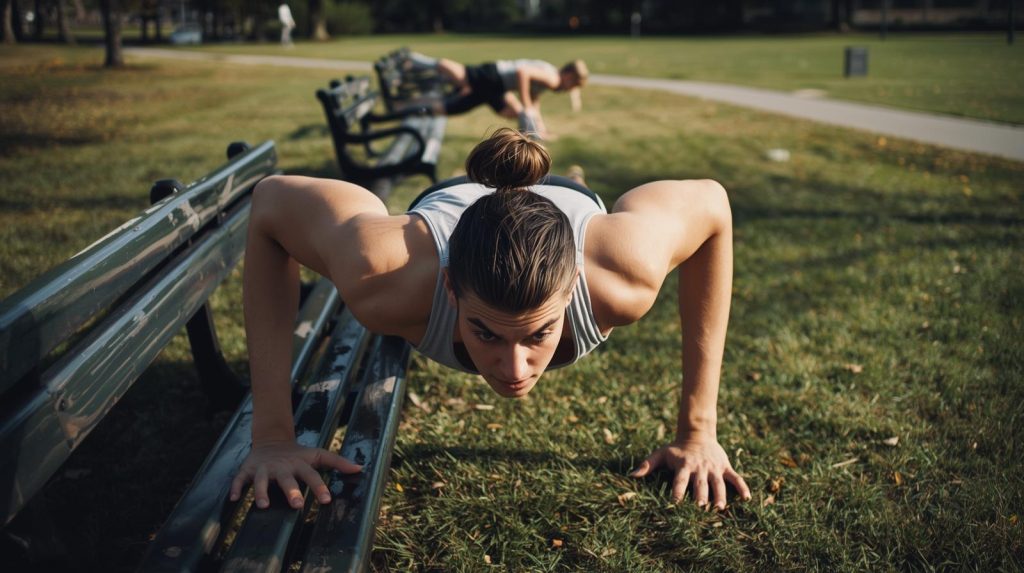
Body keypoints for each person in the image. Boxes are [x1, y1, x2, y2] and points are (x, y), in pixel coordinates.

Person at [229, 128, 752, 512]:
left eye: (538, 334)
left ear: (572, 291)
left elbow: (713, 205)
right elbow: (271, 201)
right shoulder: (385, 275)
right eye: (487, 333)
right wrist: (273, 437)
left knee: (627, 231)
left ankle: (571, 184)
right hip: (446, 213)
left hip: (566, 210)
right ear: (452, 291)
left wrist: (698, 432)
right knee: (371, 239)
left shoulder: (620, 275)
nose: (513, 366)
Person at [403, 52, 588, 140]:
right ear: (569, 75)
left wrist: (539, 125)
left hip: (497, 85)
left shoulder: (551, 74)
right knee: (459, 76)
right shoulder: (553, 79)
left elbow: (534, 99)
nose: (569, 89)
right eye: (573, 85)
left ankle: (526, 139)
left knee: (509, 111)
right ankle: (411, 59)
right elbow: (523, 72)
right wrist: (526, 107)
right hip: (494, 77)